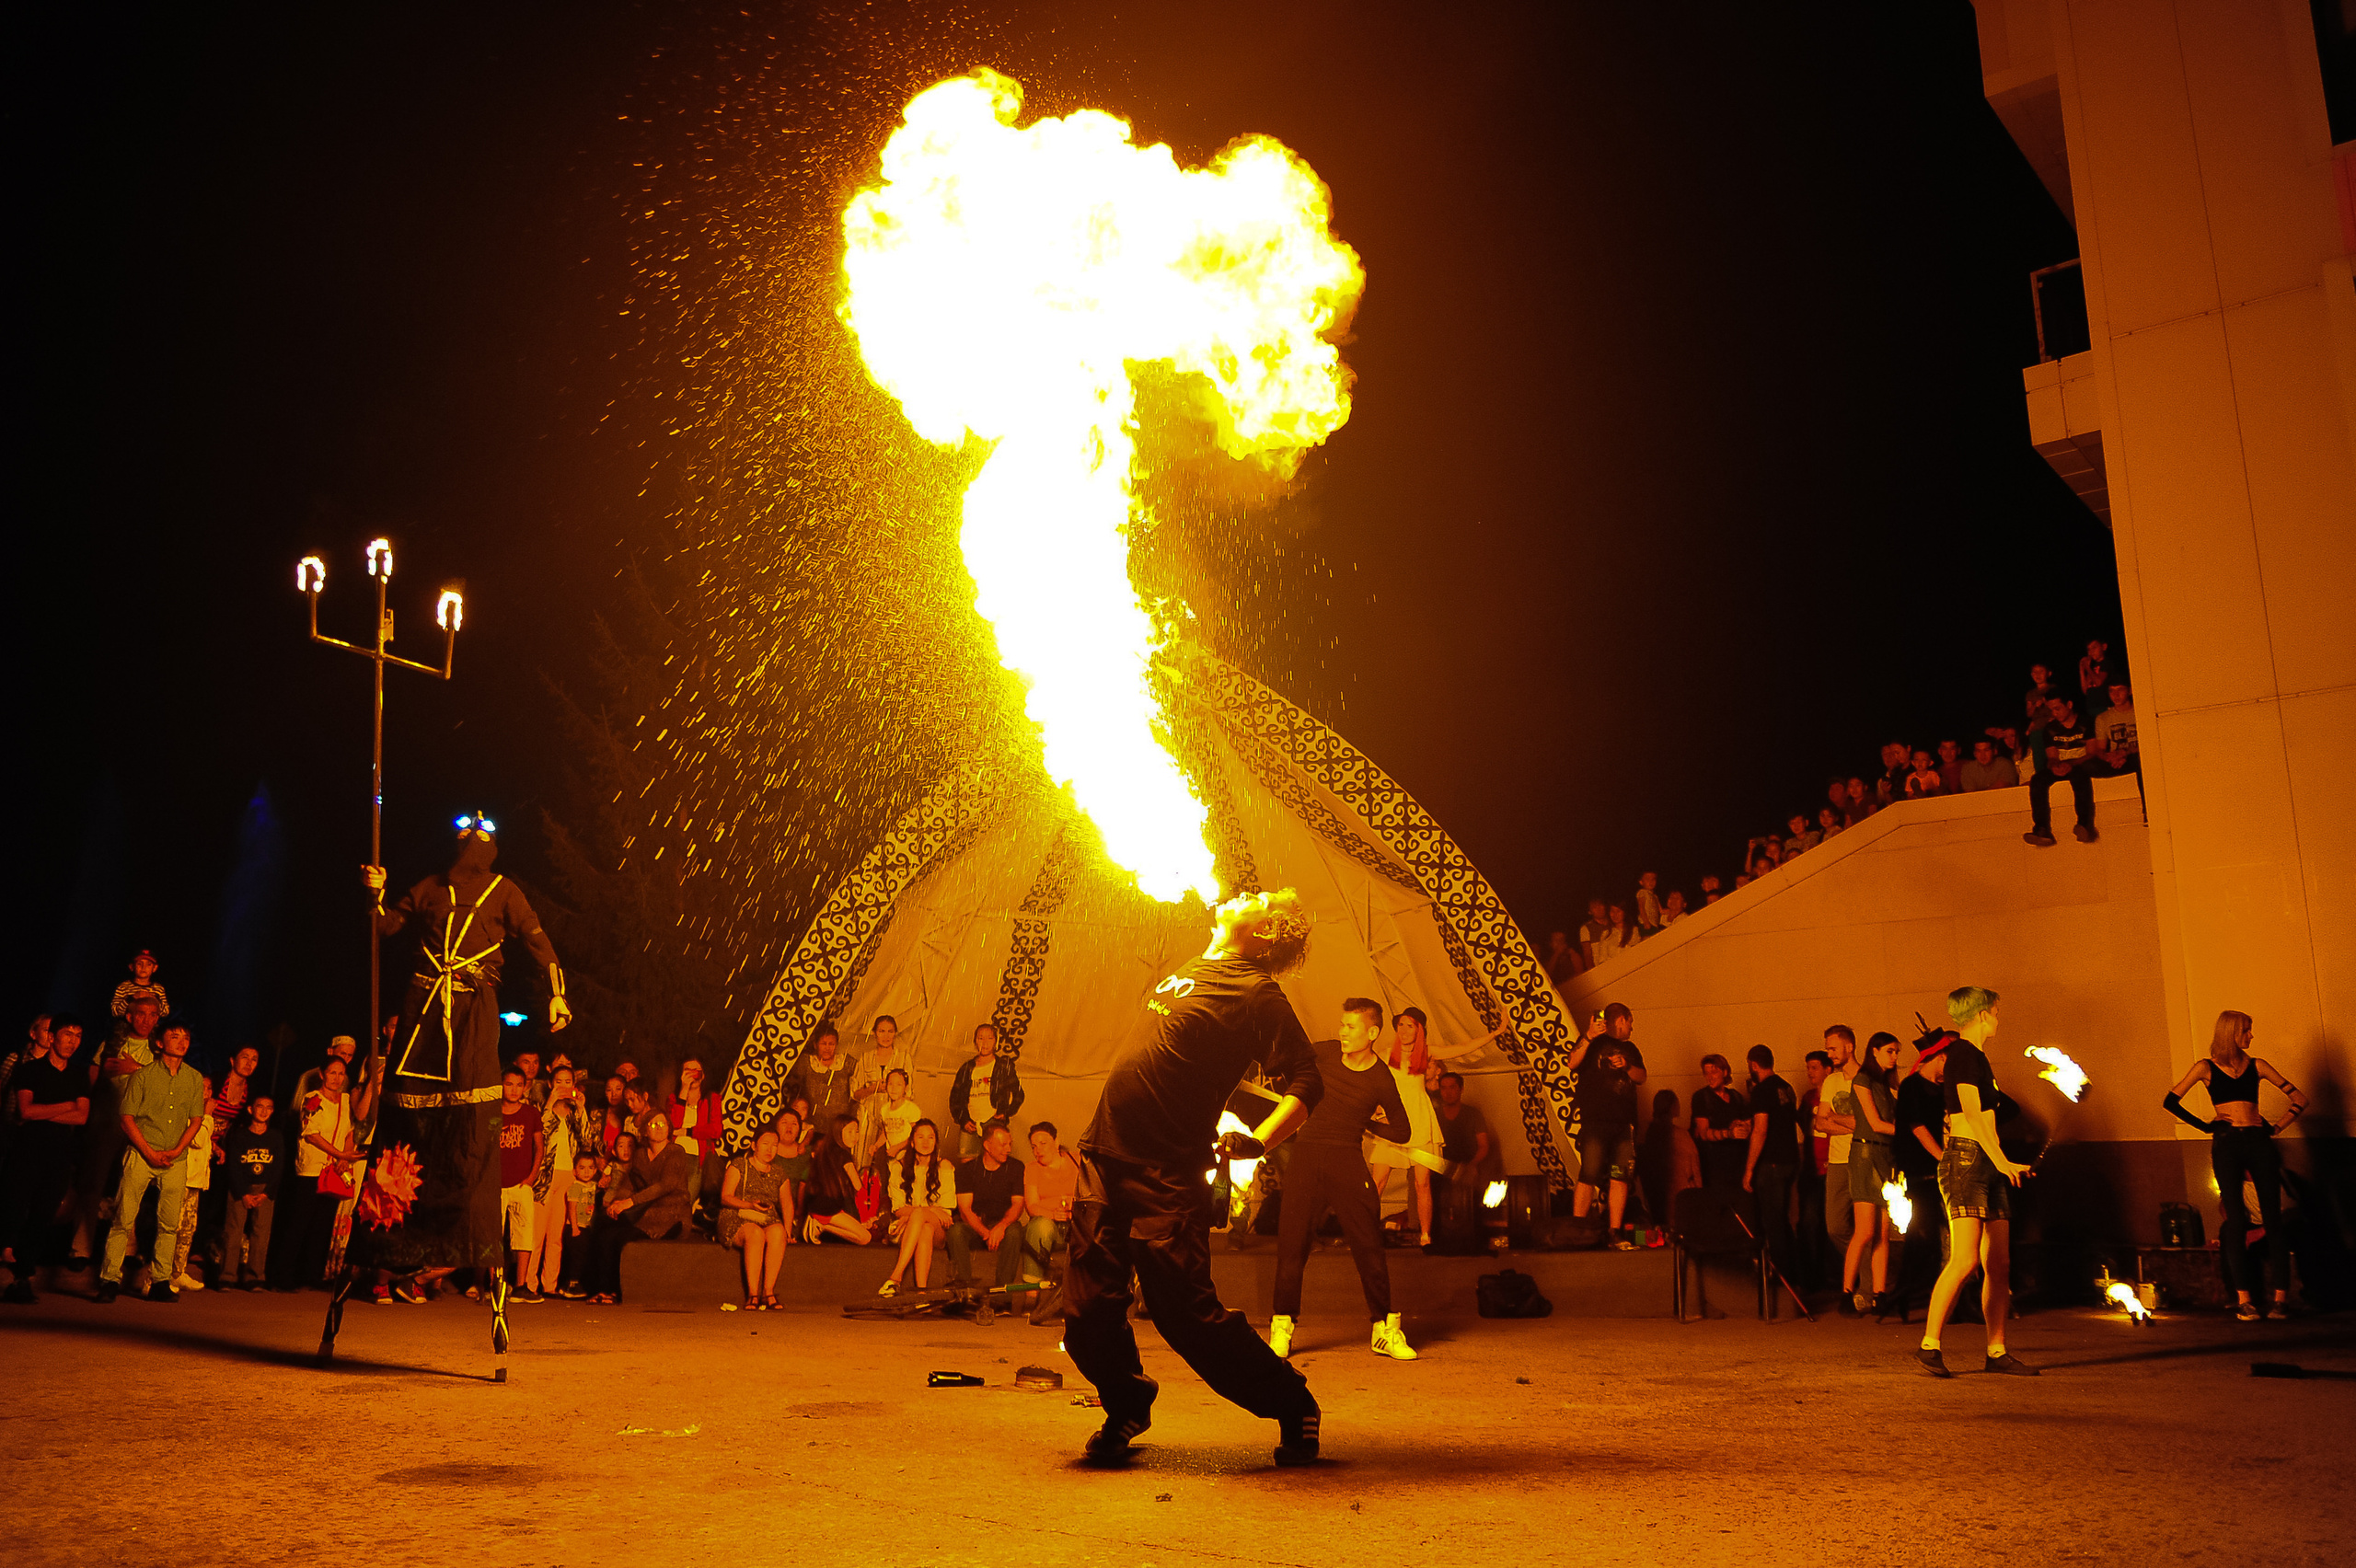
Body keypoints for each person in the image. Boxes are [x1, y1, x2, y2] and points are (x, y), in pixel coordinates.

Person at [1067, 889, 1325, 1467]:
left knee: (1186, 1316)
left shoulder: (1258, 992)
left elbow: (1308, 1081)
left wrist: (1259, 1140)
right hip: (1104, 1156)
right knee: (1086, 1310)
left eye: (1261, 899)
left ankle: (1292, 1402)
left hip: (1167, 1172)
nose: (1247, 894)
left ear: (1263, 934)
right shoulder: (1195, 963)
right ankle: (1128, 1403)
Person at [364, 815, 572, 1287]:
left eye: (480, 836)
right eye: (463, 835)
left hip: (475, 1004)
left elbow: (540, 943)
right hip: (425, 1002)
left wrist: (558, 992)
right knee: (412, 1101)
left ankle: (460, 1224)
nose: (471, 842)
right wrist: (375, 892)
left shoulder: (504, 889)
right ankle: (398, 1228)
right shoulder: (431, 886)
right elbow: (386, 925)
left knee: (473, 1103)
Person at [1266, 998, 1416, 1362]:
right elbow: (1280, 1063)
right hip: (1306, 1156)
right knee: (1292, 1246)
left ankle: (1384, 1329)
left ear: (1372, 1033)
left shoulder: (1381, 1078)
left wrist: (1368, 1123)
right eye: (1342, 1025)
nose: (1342, 1032)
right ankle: (1282, 1327)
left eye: (1350, 1027)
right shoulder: (1323, 1053)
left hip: (1346, 1161)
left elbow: (1402, 1130)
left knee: (1369, 1246)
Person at [1918, 986, 2038, 1377]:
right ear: (1983, 1014)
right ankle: (1929, 1345)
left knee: (1998, 1263)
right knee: (1966, 1258)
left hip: (1988, 1162)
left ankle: (1997, 1351)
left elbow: (1987, 1117)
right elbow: (1971, 1112)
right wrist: (2003, 1161)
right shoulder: (1964, 1056)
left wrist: (2006, 1162)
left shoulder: (1978, 1058)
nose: (1999, 1019)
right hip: (1967, 1161)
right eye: (1997, 1012)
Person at [2162, 1010, 2308, 1320]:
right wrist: (2204, 1126)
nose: (2251, 1036)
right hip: (2227, 1144)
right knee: (2236, 1222)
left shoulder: (2258, 1065)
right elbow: (2170, 1101)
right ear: (2230, 1032)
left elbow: (2300, 1097)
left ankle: (2281, 1300)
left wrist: (2276, 1126)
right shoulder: (2206, 1067)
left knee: (2273, 1219)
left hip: (2258, 1141)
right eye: (2246, 1030)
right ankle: (2244, 1300)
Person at [1368, 1007, 1498, 1247]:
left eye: (1410, 1025)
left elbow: (1461, 1049)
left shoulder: (1427, 1053)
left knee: (1422, 1182)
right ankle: (1366, 1232)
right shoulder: (1387, 1054)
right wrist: (1377, 1110)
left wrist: (1494, 1033)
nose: (1404, 1030)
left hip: (1418, 1119)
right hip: (1393, 1119)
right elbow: (1374, 1085)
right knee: (1378, 1180)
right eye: (1401, 1025)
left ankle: (1426, 1236)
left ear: (1420, 1030)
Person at [99, 1019, 209, 1303]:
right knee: (124, 1218)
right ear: (160, 1043)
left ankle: (160, 1280)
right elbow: (126, 1119)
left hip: (175, 1157)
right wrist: (148, 1151)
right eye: (175, 1036)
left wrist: (176, 1150)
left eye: (185, 1036)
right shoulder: (143, 1076)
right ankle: (110, 1279)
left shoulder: (194, 1078)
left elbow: (196, 1120)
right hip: (141, 1153)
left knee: (169, 1223)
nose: (182, 1041)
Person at [1, 1015, 90, 1304]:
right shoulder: (29, 1070)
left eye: (77, 1035)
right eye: (67, 1033)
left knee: (42, 1217)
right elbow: (25, 1111)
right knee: (14, 1209)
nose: (72, 1040)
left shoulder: (78, 1075)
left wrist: (46, 1110)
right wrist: (66, 1105)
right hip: (26, 1151)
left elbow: (83, 1116)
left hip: (59, 1156)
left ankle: (22, 1278)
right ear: (51, 1037)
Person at [586, 1112, 692, 1305]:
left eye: (662, 1123)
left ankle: (614, 1291)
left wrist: (629, 1203)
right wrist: (615, 1203)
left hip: (670, 1214)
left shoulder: (676, 1151)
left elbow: (666, 1185)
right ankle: (600, 1289)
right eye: (652, 1125)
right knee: (603, 1228)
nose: (658, 1128)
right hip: (645, 1211)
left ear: (669, 1128)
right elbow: (629, 1183)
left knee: (618, 1237)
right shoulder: (641, 1154)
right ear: (644, 1130)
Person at [1565, 1005, 1647, 1246]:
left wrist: (1627, 1066)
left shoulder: (1630, 1049)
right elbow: (1572, 1062)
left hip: (1623, 1126)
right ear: (1622, 1020)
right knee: (1589, 1174)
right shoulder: (1593, 1043)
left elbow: (1642, 1077)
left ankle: (1614, 1231)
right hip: (1595, 1123)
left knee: (1619, 1177)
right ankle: (1577, 1229)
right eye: (1630, 1022)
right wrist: (1589, 1035)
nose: (1631, 1028)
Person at [282, 1057, 362, 1294]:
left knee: (323, 1224)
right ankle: (285, 1275)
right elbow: (311, 1133)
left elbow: (350, 1131)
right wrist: (338, 1154)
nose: (337, 1078)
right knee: (300, 1222)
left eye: (341, 1074)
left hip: (335, 1169)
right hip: (313, 1167)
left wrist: (344, 1157)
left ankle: (312, 1274)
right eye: (332, 1073)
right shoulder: (312, 1099)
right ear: (322, 1074)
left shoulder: (346, 1100)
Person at [1843, 1032, 1903, 1320]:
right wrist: (1911, 1132)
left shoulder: (1884, 1082)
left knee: (1883, 1232)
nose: (1894, 1057)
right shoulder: (1863, 1079)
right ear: (1874, 1051)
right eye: (1890, 1051)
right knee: (1865, 1230)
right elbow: (1876, 1123)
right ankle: (1846, 1291)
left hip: (1885, 1155)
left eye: (1896, 1052)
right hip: (1866, 1155)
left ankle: (1881, 1294)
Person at [1892, 1035, 1950, 1317]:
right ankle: (1905, 1292)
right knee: (1923, 1233)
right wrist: (1942, 1158)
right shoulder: (1912, 1086)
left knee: (1933, 1234)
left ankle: (1918, 1293)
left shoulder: (1943, 1089)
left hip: (1938, 1168)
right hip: (1919, 1169)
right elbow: (1917, 1127)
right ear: (1939, 1057)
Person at [1740, 1045, 1801, 1286]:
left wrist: (1749, 1169)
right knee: (1784, 1220)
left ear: (1753, 1065)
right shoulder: (1786, 1087)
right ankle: (1795, 1274)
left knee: (1772, 1222)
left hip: (1772, 1163)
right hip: (1791, 1160)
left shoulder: (1761, 1091)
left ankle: (1781, 1279)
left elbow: (1761, 1131)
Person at [529, 1066, 591, 1299]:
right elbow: (540, 1135)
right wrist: (551, 1104)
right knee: (537, 1235)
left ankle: (550, 1285)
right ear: (550, 1083)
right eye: (559, 1081)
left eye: (568, 1082)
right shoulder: (540, 1109)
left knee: (556, 1236)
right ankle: (528, 1283)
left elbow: (587, 1142)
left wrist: (582, 1109)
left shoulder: (575, 1111)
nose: (564, 1086)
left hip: (568, 1176)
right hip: (545, 1176)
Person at [879, 1118, 956, 1296]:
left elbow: (945, 1212)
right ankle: (921, 1293)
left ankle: (896, 1277)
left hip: (940, 1228)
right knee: (925, 1229)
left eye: (931, 1137)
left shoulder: (944, 1166)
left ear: (936, 1142)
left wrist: (919, 1213)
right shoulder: (899, 1167)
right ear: (912, 1142)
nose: (926, 1142)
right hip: (907, 1227)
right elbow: (898, 1208)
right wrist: (928, 1210)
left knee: (926, 1222)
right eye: (921, 1137)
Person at [949, 1118, 1026, 1295]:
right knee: (956, 1232)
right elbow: (965, 1209)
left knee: (1015, 1231)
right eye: (1003, 1145)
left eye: (1010, 1144)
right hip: (976, 1227)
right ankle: (964, 1291)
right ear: (987, 1146)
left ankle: (1002, 1296)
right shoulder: (968, 1171)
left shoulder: (1016, 1167)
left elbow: (1018, 1205)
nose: (1008, 1149)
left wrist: (1001, 1227)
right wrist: (985, 1233)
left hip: (1003, 1227)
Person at [719, 1127, 793, 1309]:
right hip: (738, 1215)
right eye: (765, 1144)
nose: (770, 1149)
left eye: (774, 1145)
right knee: (755, 1234)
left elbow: (787, 1204)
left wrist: (788, 1231)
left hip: (767, 1219)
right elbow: (726, 1196)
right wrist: (750, 1205)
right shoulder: (739, 1165)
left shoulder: (779, 1172)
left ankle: (768, 1291)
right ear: (754, 1146)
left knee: (778, 1232)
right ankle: (753, 1293)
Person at [217, 1095, 282, 1290]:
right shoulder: (240, 1135)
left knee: (261, 1233)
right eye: (259, 1106)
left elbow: (278, 1167)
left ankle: (255, 1276)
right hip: (241, 1187)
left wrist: (267, 1193)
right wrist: (242, 1193)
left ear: (272, 1111)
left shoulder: (275, 1137)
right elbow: (233, 1165)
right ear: (250, 1110)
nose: (263, 1111)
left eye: (268, 1107)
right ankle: (227, 1276)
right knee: (233, 1231)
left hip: (264, 1189)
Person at [494, 1067, 545, 1301]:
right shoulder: (493, 1112)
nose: (513, 1089)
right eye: (509, 1084)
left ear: (525, 1087)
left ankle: (521, 1285)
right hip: (496, 1183)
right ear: (501, 1085)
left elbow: (539, 1147)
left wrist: (532, 1177)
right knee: (494, 1235)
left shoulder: (531, 1113)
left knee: (524, 1235)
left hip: (522, 1183)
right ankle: (493, 1284)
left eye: (518, 1084)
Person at [2025, 694, 2098, 847]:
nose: (2054, 714)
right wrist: (2054, 766)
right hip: (2062, 766)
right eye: (2051, 710)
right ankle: (2041, 828)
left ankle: (2084, 825)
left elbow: (2092, 753)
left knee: (2080, 776)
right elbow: (2051, 756)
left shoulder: (2086, 723)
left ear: (2069, 705)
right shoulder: (2050, 729)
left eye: (2058, 709)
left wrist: (2072, 764)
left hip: (2081, 764)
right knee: (2037, 780)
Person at [1814, 1025, 1859, 1271]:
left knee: (1868, 1226)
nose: (1829, 1054)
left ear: (1849, 1047)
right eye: (1827, 1049)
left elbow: (1869, 1124)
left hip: (1863, 1159)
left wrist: (1835, 1117)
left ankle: (1870, 1280)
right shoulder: (1832, 1081)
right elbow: (1821, 1122)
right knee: (1835, 1227)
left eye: (1832, 1048)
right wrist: (1854, 1125)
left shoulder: (1867, 1079)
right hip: (1839, 1160)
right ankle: (1864, 1267)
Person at [948, 1025, 1025, 1160]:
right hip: (971, 1123)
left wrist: (1006, 1112)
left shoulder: (1003, 1066)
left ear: (996, 1042)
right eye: (980, 1038)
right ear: (975, 1042)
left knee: (996, 1160)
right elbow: (954, 1098)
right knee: (967, 1161)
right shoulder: (966, 1068)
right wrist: (963, 1119)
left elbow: (1019, 1094)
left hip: (993, 1121)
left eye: (990, 1038)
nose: (985, 1043)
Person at [1430, 1072, 1494, 1237]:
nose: (1448, 1092)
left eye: (1452, 1087)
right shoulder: (1433, 1114)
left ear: (1461, 1089)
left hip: (1466, 1166)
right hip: (1438, 1168)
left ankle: (1471, 1234)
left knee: (1469, 1191)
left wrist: (1471, 1165)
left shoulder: (1473, 1114)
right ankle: (1435, 1235)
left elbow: (1484, 1146)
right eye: (1443, 1088)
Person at [802, 1121, 881, 1247]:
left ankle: (820, 1225)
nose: (854, 1136)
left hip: (825, 1206)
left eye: (856, 1131)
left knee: (862, 1234)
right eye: (849, 1132)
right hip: (827, 1208)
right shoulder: (843, 1154)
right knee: (865, 1238)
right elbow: (858, 1186)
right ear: (838, 1133)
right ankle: (820, 1225)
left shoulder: (829, 1152)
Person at [1635, 1090, 1699, 1243]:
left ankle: (1650, 1241)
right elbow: (1694, 1167)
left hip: (1653, 1195)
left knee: (1654, 1232)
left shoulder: (1646, 1134)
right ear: (1672, 1107)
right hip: (1680, 1197)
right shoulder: (1681, 1136)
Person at [850, 1014, 913, 1165]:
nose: (886, 1036)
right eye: (882, 1031)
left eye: (890, 1031)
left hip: (894, 1118)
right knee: (862, 1160)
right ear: (874, 1033)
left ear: (896, 1033)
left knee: (895, 1163)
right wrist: (874, 1088)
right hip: (868, 1116)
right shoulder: (865, 1058)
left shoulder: (904, 1058)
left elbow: (909, 1094)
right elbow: (855, 1094)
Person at [1020, 1121, 1078, 1283]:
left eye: (1043, 1143)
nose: (1038, 1150)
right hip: (1049, 1228)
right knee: (1040, 1226)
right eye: (1033, 1146)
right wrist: (1053, 1214)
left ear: (1056, 1142)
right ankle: (1032, 1290)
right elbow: (1032, 1206)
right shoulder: (1032, 1168)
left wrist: (1074, 1209)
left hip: (1076, 1225)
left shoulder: (1077, 1160)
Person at [666, 1057, 722, 1215]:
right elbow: (673, 1125)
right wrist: (684, 1090)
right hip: (675, 1153)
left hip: (699, 1155)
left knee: (687, 1196)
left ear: (703, 1075)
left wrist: (688, 1132)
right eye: (687, 1070)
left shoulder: (712, 1098)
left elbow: (716, 1130)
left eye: (696, 1071)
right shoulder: (673, 1098)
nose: (692, 1074)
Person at [789, 1022, 856, 1146]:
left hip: (840, 1127)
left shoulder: (847, 1062)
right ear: (815, 1045)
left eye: (831, 1044)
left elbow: (859, 1084)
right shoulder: (805, 1063)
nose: (827, 1048)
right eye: (823, 1044)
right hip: (812, 1128)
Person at [1796, 1049, 1831, 1287]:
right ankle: (1812, 1273)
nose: (1810, 1073)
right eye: (1808, 1068)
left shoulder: (1837, 1096)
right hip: (1810, 1169)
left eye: (1814, 1068)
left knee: (1832, 1222)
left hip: (1831, 1168)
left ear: (1828, 1069)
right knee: (1809, 1220)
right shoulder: (1808, 1099)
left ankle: (1833, 1272)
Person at [1691, 1055, 1750, 1191]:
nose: (1710, 1077)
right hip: (1714, 1166)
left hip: (1738, 1164)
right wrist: (1729, 1133)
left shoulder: (1736, 1096)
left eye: (1714, 1072)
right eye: (1706, 1073)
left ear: (1725, 1072)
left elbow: (1749, 1123)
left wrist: (1741, 1126)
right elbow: (1703, 1133)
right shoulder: (1701, 1097)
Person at [555, 1152, 601, 1297]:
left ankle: (573, 1284)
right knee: (577, 1257)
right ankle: (571, 1284)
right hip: (575, 1226)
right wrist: (574, 1227)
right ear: (575, 1171)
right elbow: (572, 1207)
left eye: (590, 1168)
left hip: (587, 1227)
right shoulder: (575, 1187)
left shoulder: (593, 1186)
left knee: (584, 1256)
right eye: (582, 1168)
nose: (586, 1172)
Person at [872, 1069, 920, 1169]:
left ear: (905, 1088)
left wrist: (898, 1147)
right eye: (890, 1084)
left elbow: (916, 1136)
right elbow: (886, 1133)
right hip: (892, 1158)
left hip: (909, 1157)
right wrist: (876, 1146)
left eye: (899, 1085)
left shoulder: (911, 1109)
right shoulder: (884, 1109)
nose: (894, 1088)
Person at [110, 949, 169, 1022]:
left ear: (154, 968)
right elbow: (115, 1012)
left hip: (150, 1028)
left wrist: (154, 999)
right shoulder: (123, 987)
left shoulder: (158, 989)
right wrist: (131, 998)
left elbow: (165, 1012)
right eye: (139, 964)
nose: (143, 967)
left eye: (148, 964)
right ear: (131, 967)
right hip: (127, 1028)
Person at [1576, 898, 1615, 970]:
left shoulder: (1615, 922)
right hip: (1601, 967)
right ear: (1590, 912)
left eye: (1600, 905)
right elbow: (1587, 953)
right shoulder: (1586, 928)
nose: (1598, 908)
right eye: (1594, 907)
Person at [1634, 871, 1664, 939]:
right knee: (1646, 939)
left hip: (1654, 924)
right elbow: (1641, 907)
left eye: (1653, 879)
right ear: (1641, 882)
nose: (1651, 882)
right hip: (1646, 923)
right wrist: (1646, 921)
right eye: (1647, 879)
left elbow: (1661, 910)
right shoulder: (1642, 892)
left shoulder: (1655, 896)